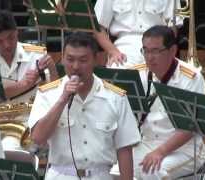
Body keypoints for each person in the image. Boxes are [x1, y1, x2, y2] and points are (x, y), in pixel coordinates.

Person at [28, 32, 141, 180]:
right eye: (70, 59)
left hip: (100, 175)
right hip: (61, 174)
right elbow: (38, 138)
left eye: (83, 60)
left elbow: (124, 148)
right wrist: (62, 99)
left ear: (96, 60)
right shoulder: (48, 94)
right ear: (62, 59)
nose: (75, 66)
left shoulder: (115, 97)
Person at [133, 25, 205, 179]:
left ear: (172, 51)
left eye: (155, 51)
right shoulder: (138, 74)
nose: (149, 57)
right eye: (145, 50)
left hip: (185, 149)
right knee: (114, 166)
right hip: (146, 143)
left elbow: (191, 126)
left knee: (151, 172)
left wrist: (160, 152)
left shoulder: (191, 77)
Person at [0, 10, 58, 107]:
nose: (7, 45)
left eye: (10, 37)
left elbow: (52, 95)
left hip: (29, 119)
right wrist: (23, 84)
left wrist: (52, 70)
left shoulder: (36, 54)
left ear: (17, 32)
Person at [94, 0, 181, 68]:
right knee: (118, 71)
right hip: (124, 48)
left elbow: (172, 28)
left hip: (158, 46)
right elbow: (98, 28)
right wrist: (113, 51)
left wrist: (164, 51)